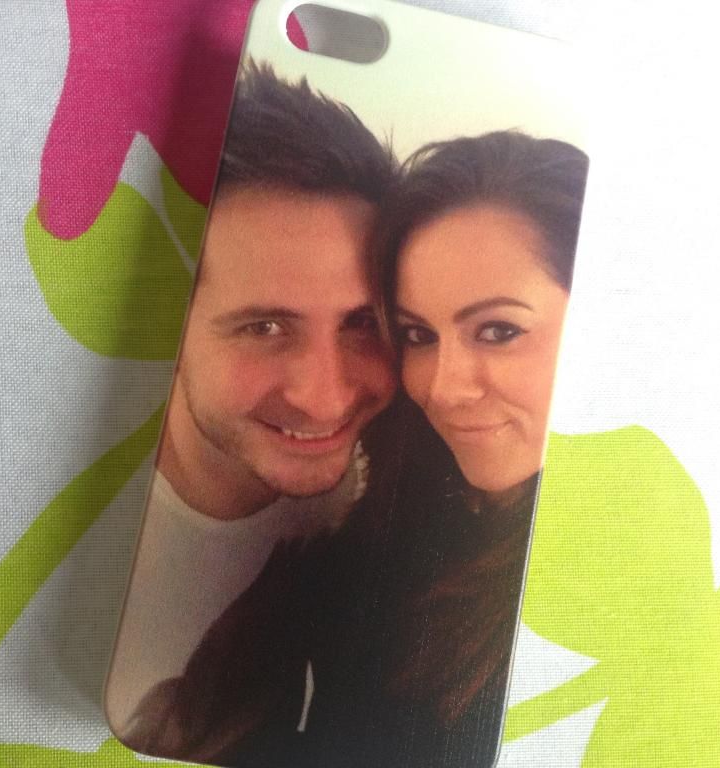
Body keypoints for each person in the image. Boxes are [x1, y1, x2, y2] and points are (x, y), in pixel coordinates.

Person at [103, 61, 398, 764]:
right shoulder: (94, 532)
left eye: (362, 323)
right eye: (264, 327)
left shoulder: (397, 475)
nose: (326, 399)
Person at [306, 130, 588, 767]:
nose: (443, 388)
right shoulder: (396, 513)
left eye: (499, 330)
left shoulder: (644, 570)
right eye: (419, 335)